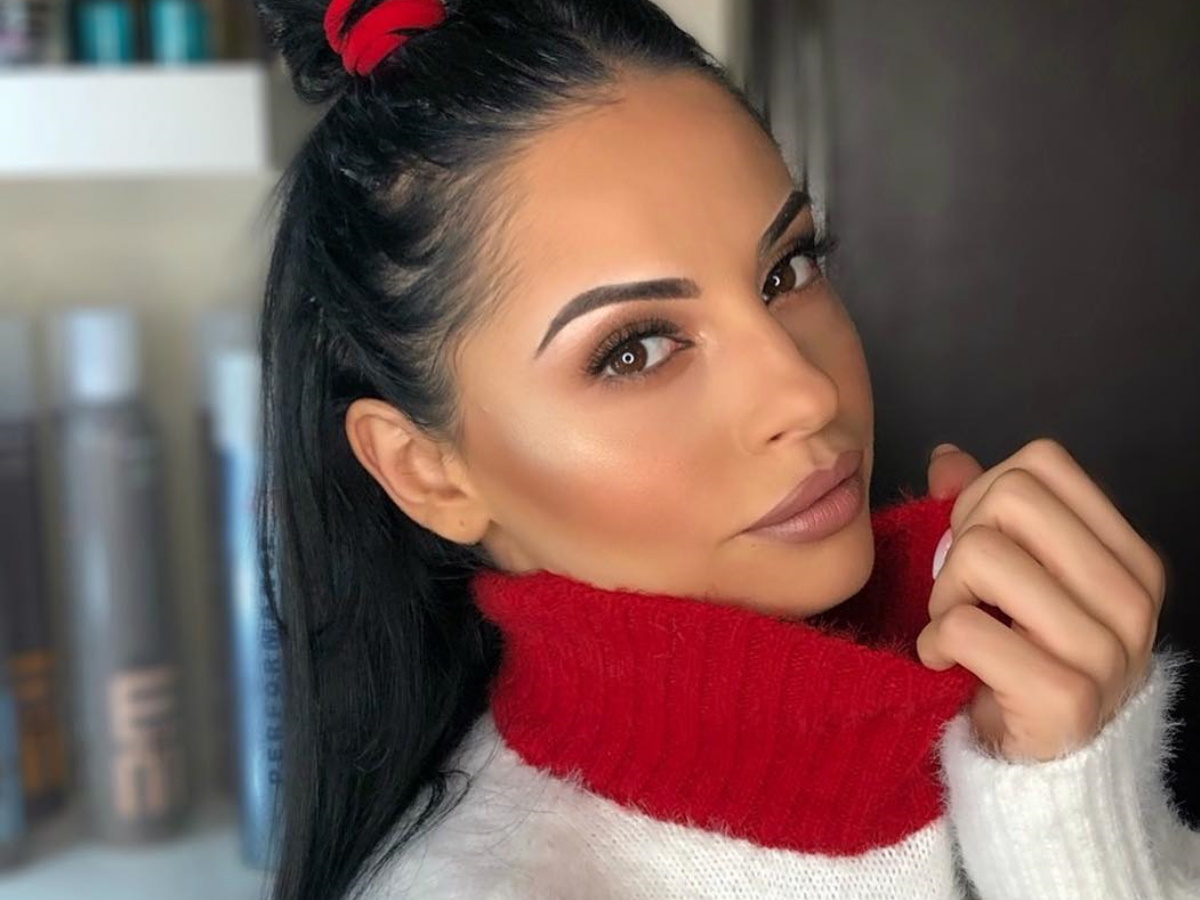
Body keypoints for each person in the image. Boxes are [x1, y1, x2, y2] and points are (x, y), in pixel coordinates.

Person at [252, 0, 1200, 897]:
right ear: (426, 471)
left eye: (788, 268)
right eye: (635, 350)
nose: (807, 392)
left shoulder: (1015, 698)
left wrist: (1071, 810)